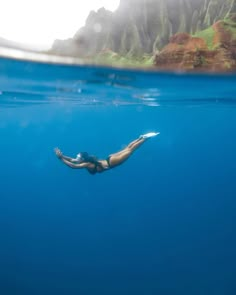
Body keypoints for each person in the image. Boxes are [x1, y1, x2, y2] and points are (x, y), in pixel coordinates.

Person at [54, 132, 159, 175]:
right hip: (110, 158)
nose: (76, 158)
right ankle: (140, 137)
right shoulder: (86, 160)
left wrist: (60, 159)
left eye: (78, 157)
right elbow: (72, 160)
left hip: (111, 162)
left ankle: (145, 139)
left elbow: (73, 166)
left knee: (130, 150)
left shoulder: (86, 164)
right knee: (128, 148)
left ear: (82, 159)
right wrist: (62, 156)